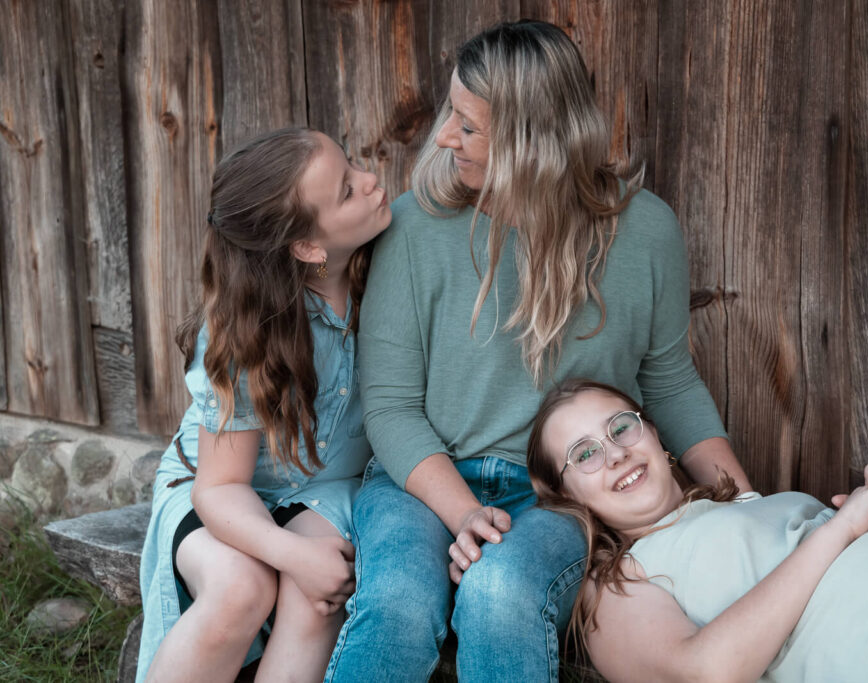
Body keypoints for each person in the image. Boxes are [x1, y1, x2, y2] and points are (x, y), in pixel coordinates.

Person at [325, 19, 753, 682]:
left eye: (467, 125)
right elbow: (390, 407)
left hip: (558, 495)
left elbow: (669, 382)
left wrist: (747, 506)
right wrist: (464, 513)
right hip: (420, 479)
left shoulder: (644, 232)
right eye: (450, 117)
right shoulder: (414, 227)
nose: (443, 137)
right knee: (398, 604)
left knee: (501, 595)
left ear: (529, 139)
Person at [526, 378, 868, 683]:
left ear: (655, 435)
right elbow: (702, 674)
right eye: (585, 454)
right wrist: (845, 526)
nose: (615, 453)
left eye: (621, 427)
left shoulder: (752, 505)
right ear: (567, 497)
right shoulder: (617, 585)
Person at [136, 127, 391, 683]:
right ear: (307, 247)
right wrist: (290, 554)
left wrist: (305, 563)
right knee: (239, 588)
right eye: (347, 190)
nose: (372, 182)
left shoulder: (392, 273)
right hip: (219, 488)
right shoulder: (246, 329)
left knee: (319, 593)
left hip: (325, 487)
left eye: (355, 167)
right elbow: (221, 485)